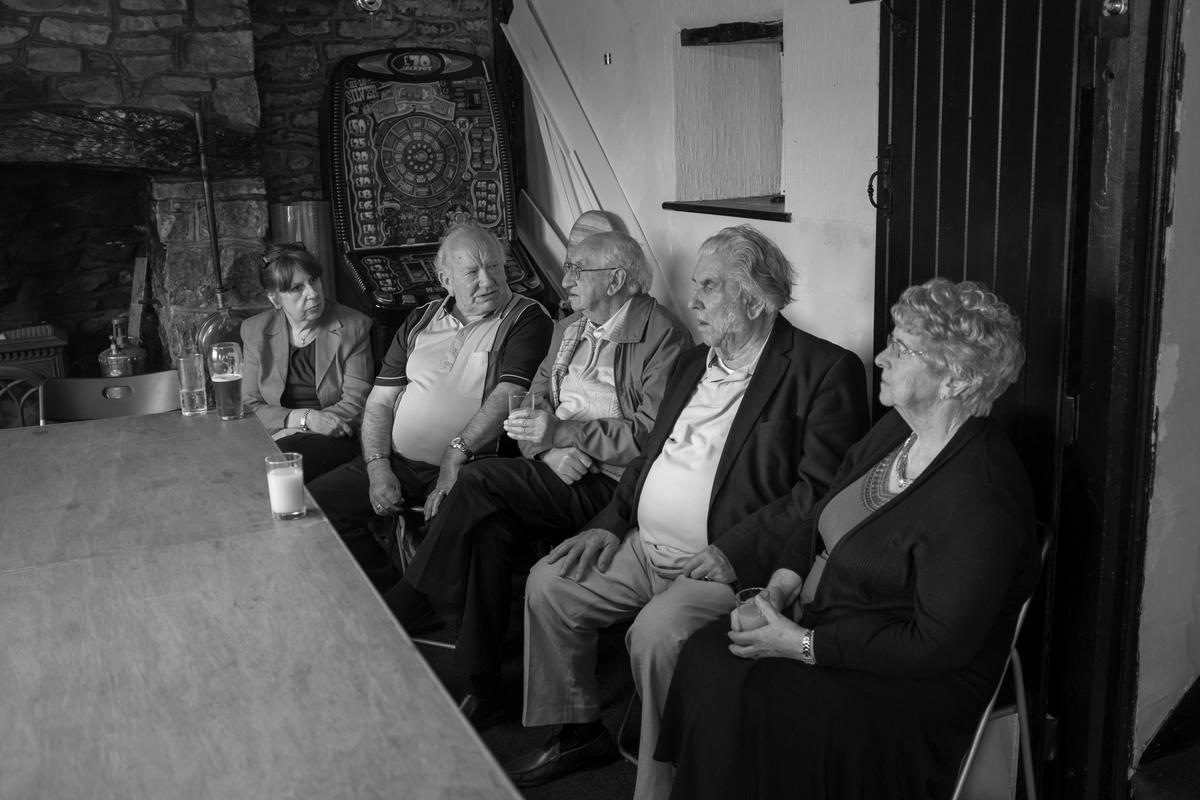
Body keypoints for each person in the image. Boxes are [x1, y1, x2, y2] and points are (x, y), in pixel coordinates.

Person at [504, 225, 870, 798]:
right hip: (642, 545)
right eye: (695, 284)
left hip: (722, 562)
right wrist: (609, 523)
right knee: (550, 582)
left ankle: (663, 784)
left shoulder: (822, 370)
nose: (692, 298)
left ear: (754, 299)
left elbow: (817, 494)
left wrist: (736, 551)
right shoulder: (695, 362)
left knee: (657, 634)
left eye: (710, 287)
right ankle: (579, 733)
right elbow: (649, 459)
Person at [655, 278, 1041, 800]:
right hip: (834, 622)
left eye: (901, 349)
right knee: (709, 655)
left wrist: (803, 645)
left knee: (764, 700)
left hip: (908, 680)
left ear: (953, 379)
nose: (881, 357)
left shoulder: (980, 496)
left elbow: (934, 645)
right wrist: (782, 587)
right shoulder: (895, 431)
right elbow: (816, 517)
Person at [384, 230, 690, 729]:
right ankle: (482, 687)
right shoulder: (567, 327)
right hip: (557, 473)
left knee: (478, 479)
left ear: (615, 279)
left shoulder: (662, 335)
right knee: (489, 531)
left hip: (613, 487)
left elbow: (650, 436)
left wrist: (567, 434)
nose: (564, 279)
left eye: (576, 270)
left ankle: (413, 598)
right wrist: (546, 450)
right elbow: (531, 409)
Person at [308, 221, 553, 586]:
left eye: (496, 267)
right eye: (472, 272)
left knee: (457, 537)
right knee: (314, 509)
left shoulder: (527, 318)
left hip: (473, 467)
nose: (488, 281)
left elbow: (507, 396)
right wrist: (378, 467)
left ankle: (413, 606)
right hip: (399, 462)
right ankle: (386, 592)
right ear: (445, 279)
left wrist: (456, 455)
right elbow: (380, 403)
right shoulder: (420, 319)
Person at [241, 242, 374, 482]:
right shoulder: (255, 331)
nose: (312, 293)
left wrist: (298, 429)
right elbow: (249, 406)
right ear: (275, 299)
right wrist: (305, 419)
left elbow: (356, 404)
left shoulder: (353, 326)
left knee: (273, 467)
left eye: (313, 280)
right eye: (296, 288)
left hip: (336, 436)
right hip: (280, 434)